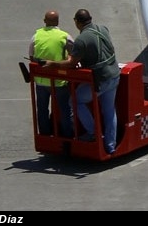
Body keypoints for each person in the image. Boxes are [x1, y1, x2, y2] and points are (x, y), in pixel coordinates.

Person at [42, 8, 120, 154]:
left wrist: (53, 64)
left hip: (100, 80)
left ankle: (93, 133)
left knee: (75, 101)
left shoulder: (82, 39)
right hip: (114, 75)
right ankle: (110, 146)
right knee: (109, 111)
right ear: (90, 19)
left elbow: (71, 63)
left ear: (77, 22)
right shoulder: (103, 29)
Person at [27, 10, 74, 137]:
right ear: (58, 22)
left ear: (44, 21)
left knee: (42, 109)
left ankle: (45, 136)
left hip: (41, 81)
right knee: (65, 110)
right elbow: (74, 56)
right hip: (59, 81)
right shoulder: (64, 36)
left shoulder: (36, 36)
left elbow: (31, 56)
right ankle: (68, 137)